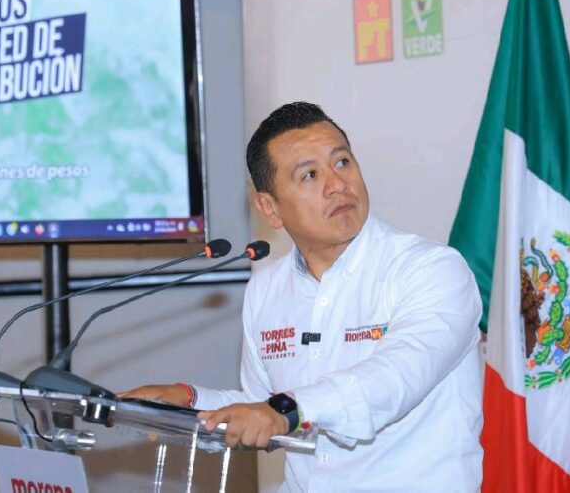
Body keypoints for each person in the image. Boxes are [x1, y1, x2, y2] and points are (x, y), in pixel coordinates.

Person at [120, 102, 482, 491]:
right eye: (310, 174)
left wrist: (285, 410)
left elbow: (393, 379)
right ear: (269, 208)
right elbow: (260, 403)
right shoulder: (266, 288)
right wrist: (188, 402)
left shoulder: (432, 270)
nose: (337, 184)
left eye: (342, 162)